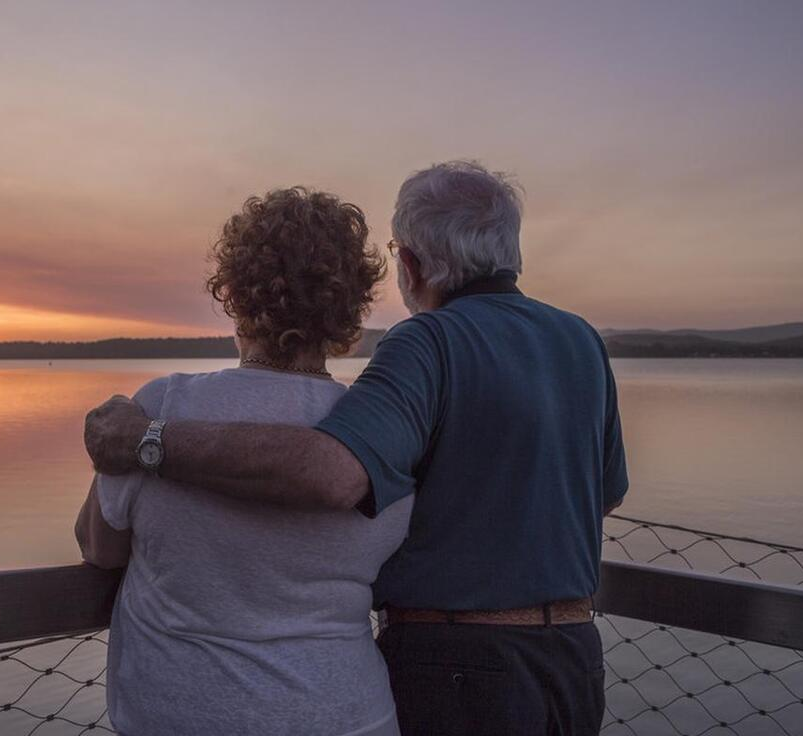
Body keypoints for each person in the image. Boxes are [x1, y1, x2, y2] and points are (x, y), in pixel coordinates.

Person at [85, 161, 629, 736]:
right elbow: (605, 494)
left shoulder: (427, 340)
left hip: (460, 670)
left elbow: (335, 474)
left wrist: (144, 438)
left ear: (412, 265)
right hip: (571, 659)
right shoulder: (581, 340)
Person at [74, 187, 413, 736]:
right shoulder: (377, 429)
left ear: (233, 290)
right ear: (349, 304)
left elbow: (100, 548)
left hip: (186, 715)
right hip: (349, 715)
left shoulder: (163, 406)